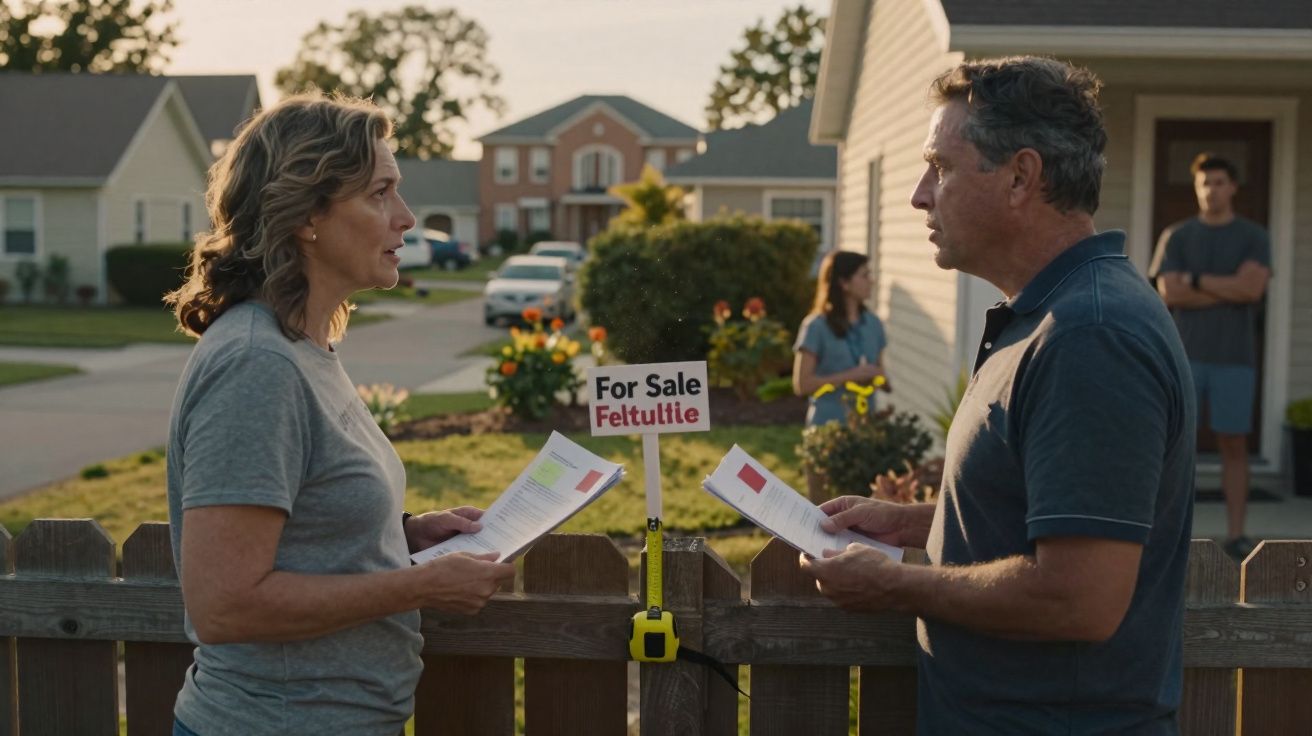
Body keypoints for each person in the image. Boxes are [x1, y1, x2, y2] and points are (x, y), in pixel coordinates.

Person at [800, 57, 1195, 734]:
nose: (920, 195)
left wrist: (894, 585)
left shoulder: (1090, 337)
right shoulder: (1051, 316)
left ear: (1020, 177)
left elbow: (1080, 598)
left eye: (941, 167)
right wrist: (924, 521)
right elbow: (1054, 514)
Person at [163, 93, 515, 736]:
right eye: (380, 193)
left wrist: (399, 535)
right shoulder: (256, 365)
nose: (406, 219)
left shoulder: (301, 348)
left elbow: (300, 528)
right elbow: (226, 606)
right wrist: (418, 587)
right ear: (306, 216)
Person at [1150, 152, 1271, 560]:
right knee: (1176, 446)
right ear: (1196, 188)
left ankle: (1236, 534)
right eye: (1205, 183)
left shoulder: (1254, 236)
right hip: (1185, 356)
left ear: (1232, 187)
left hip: (1235, 357)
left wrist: (1197, 281)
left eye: (1219, 182)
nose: (1211, 190)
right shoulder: (1177, 236)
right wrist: (1228, 286)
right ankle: (1168, 534)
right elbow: (1170, 293)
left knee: (1233, 444)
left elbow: (1252, 291)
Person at [792, 250, 890, 426]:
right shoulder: (815, 326)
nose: (871, 281)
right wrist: (849, 376)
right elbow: (802, 385)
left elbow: (883, 377)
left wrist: (877, 378)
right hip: (826, 429)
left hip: (866, 428)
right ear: (844, 283)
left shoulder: (874, 324)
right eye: (864, 275)